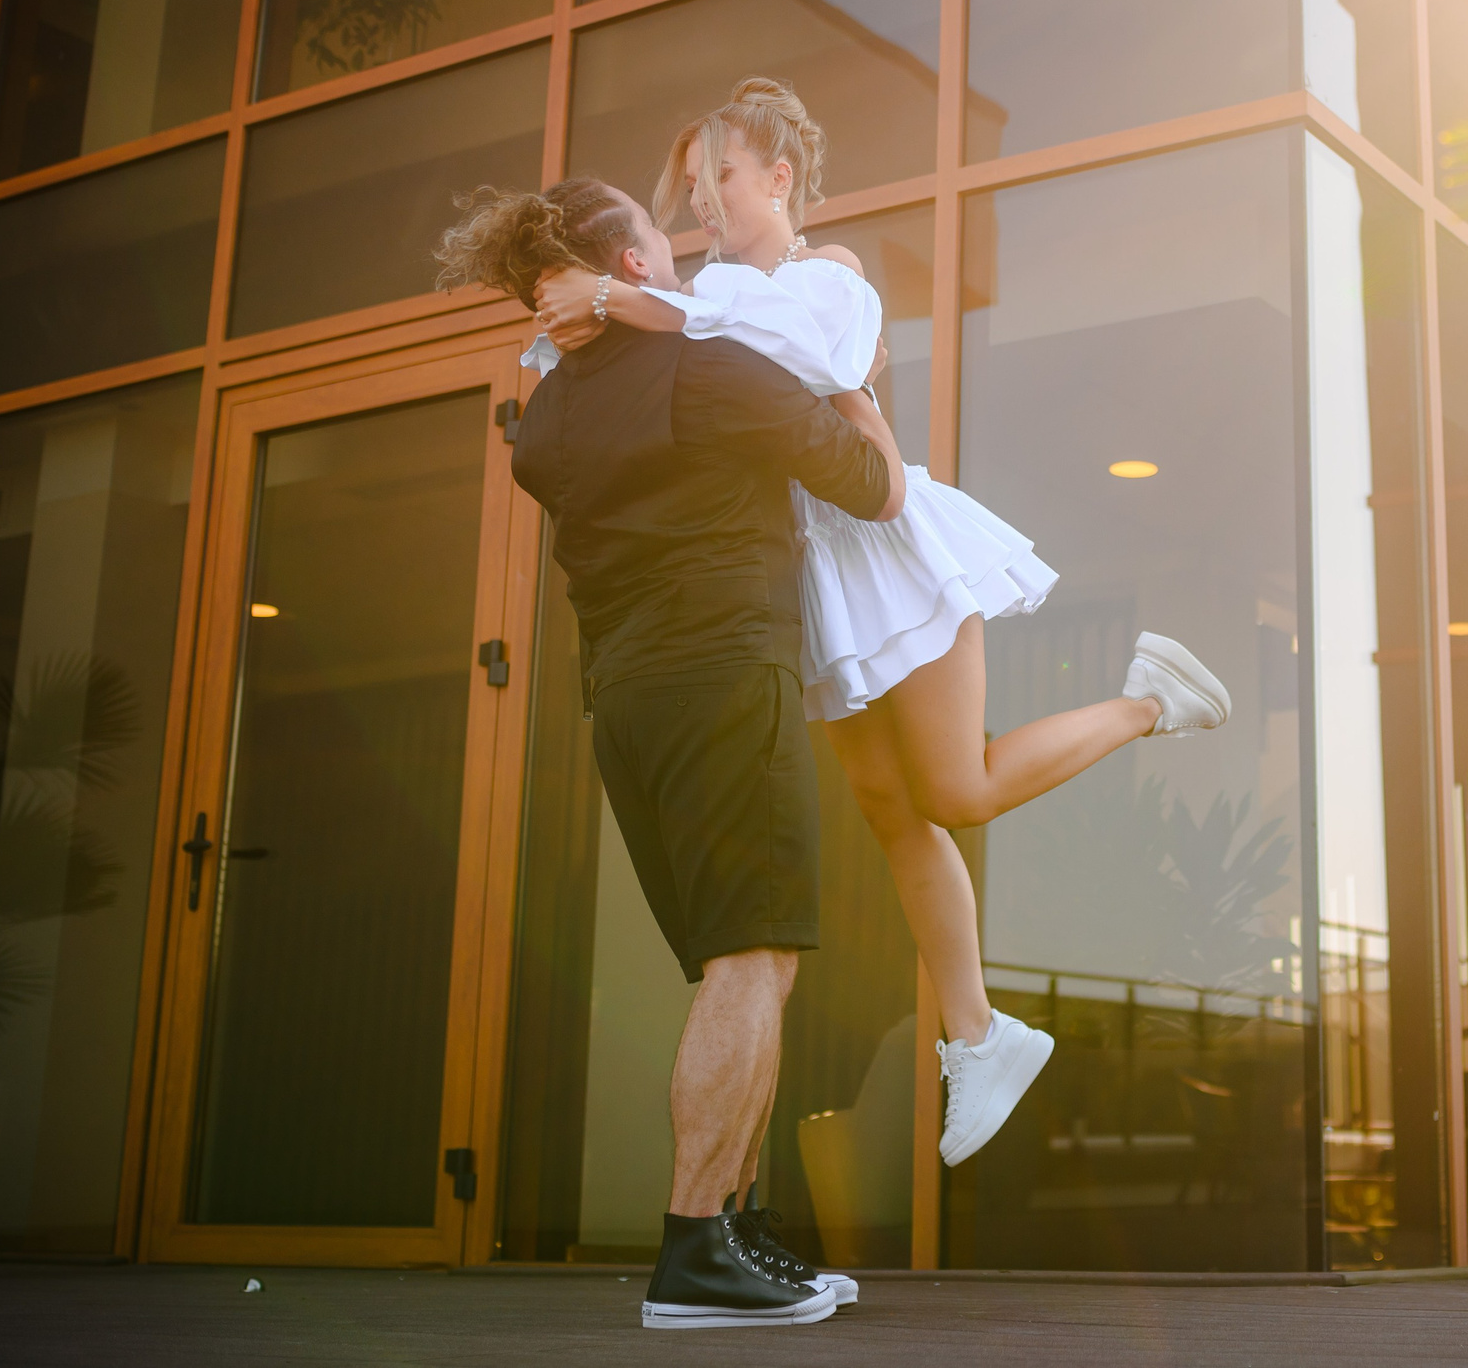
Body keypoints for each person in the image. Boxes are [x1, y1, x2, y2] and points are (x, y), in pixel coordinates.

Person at [529, 77, 1231, 1166]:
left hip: (888, 555)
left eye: (722, 171)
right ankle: (980, 1035)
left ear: (779, 176)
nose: (704, 197)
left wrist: (619, 301)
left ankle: (1152, 698)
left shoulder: (826, 276)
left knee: (958, 788)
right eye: (691, 180)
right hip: (815, 583)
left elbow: (791, 357)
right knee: (890, 809)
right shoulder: (692, 299)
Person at [438, 176, 889, 1329]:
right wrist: (852, 385)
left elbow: (564, 417)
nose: (682, 247)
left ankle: (735, 1232)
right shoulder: (711, 366)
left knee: (749, 964)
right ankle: (694, 1248)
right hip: (727, 676)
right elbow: (869, 485)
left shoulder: (545, 424)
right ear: (631, 263)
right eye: (660, 232)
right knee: (751, 958)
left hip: (629, 696)